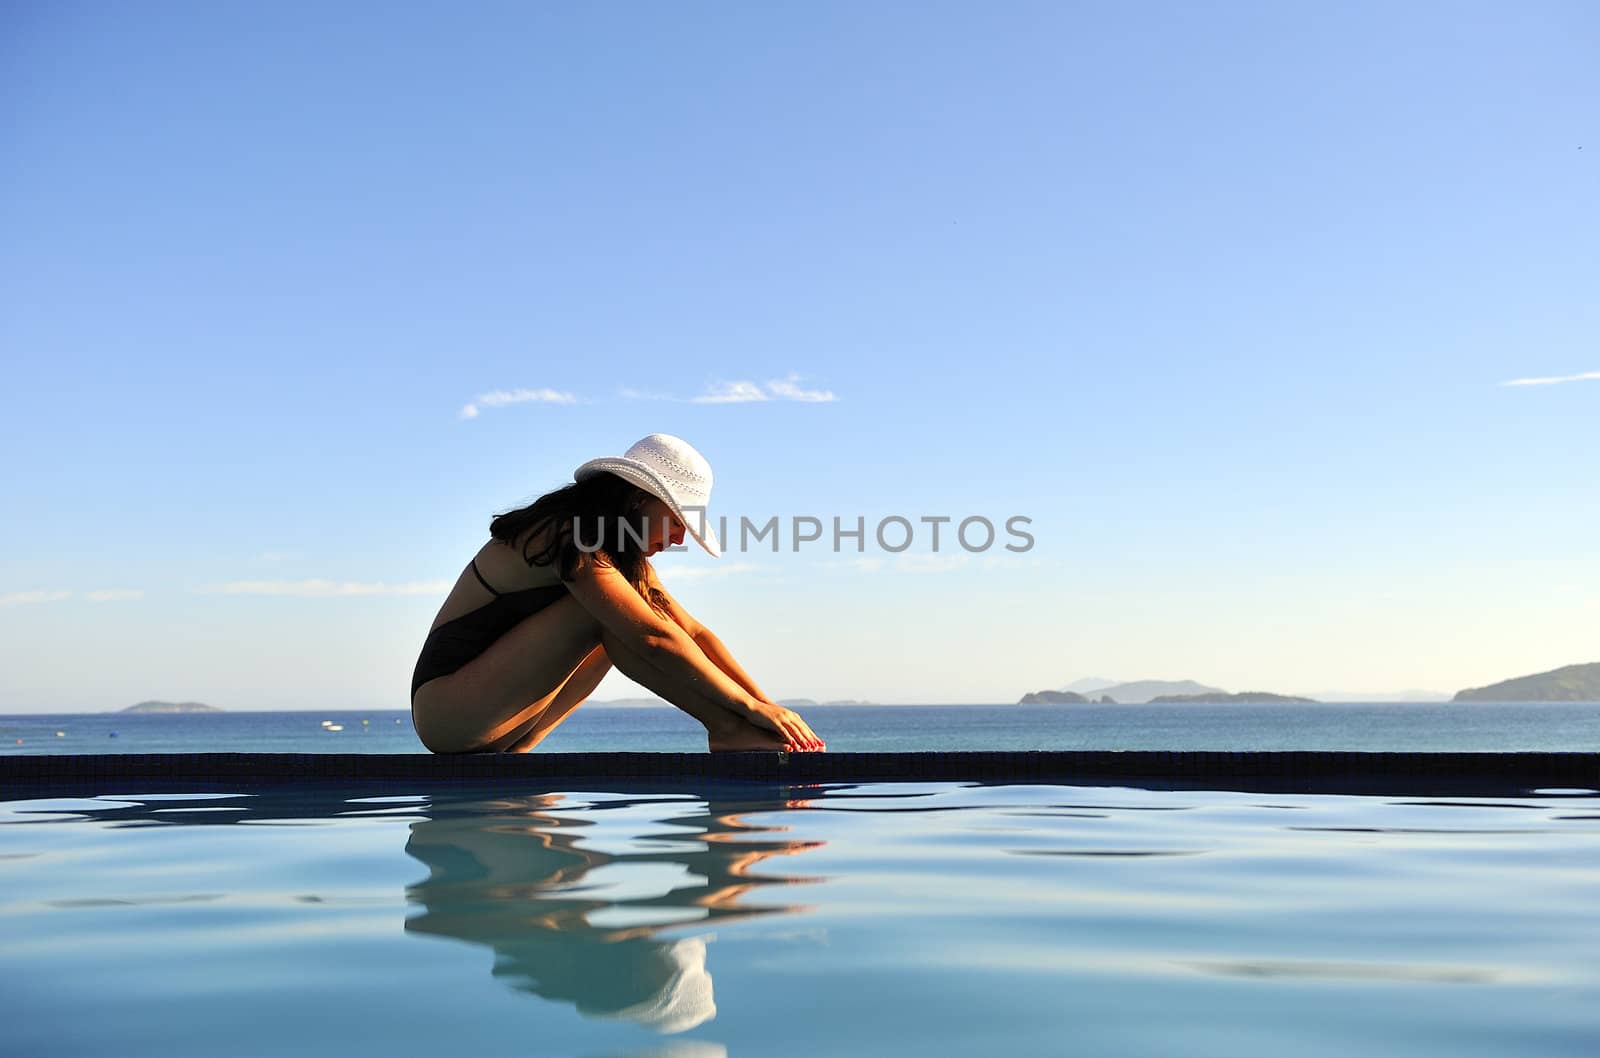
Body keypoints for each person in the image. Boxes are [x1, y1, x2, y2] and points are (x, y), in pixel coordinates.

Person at [410, 433, 825, 754]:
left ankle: (733, 729)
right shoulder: (569, 533)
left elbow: (693, 634)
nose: (680, 539)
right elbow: (652, 637)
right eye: (679, 520)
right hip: (446, 712)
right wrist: (745, 712)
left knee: (629, 618)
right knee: (609, 617)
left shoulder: (617, 555)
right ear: (638, 499)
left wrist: (769, 711)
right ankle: (726, 729)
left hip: (500, 727)